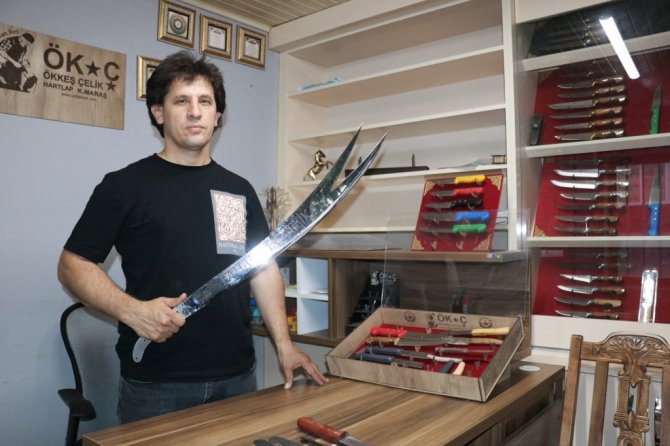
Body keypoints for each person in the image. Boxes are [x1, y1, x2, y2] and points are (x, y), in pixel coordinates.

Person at [57, 51, 328, 423]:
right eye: (181, 101)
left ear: (218, 116)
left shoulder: (237, 190)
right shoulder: (123, 186)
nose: (195, 112)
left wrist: (284, 345)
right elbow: (72, 266)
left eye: (205, 102)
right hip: (157, 383)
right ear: (158, 112)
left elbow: (261, 269)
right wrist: (133, 312)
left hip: (237, 376)